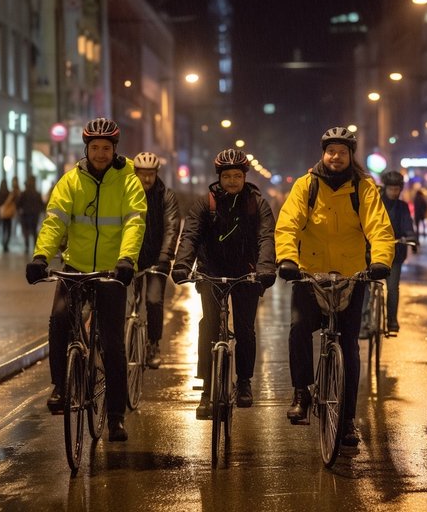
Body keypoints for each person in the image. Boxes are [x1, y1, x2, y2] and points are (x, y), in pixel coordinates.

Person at [25, 118, 146, 443]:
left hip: (112, 271)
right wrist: (41, 257)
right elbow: (55, 222)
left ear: (114, 150)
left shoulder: (128, 181)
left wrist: (126, 260)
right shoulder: (70, 182)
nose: (101, 153)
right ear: (87, 149)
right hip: (75, 267)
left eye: (106, 148)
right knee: (60, 319)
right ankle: (60, 388)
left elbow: (135, 222)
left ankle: (116, 416)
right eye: (95, 148)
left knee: (111, 343)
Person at [274, 126, 394, 455]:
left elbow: (379, 228)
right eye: (331, 151)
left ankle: (349, 419)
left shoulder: (364, 187)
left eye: (342, 151)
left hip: (351, 277)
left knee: (350, 347)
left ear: (350, 155)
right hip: (310, 276)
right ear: (323, 154)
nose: (336, 156)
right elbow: (288, 223)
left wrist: (380, 261)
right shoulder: (306, 185)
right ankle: (302, 391)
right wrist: (287, 258)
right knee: (299, 329)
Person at [171, 148, 276, 417]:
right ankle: (207, 389)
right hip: (212, 272)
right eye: (227, 176)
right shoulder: (205, 204)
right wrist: (183, 264)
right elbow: (190, 236)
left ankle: (243, 382)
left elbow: (266, 237)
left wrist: (265, 268)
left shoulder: (257, 204)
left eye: (237, 176)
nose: (232, 181)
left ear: (244, 177)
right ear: (219, 177)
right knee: (208, 325)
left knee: (244, 329)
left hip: (247, 273)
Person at [131, 152, 181, 370]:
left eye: (151, 174)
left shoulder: (165, 196)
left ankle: (153, 344)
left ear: (156, 174)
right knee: (127, 305)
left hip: (155, 260)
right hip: (129, 260)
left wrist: (164, 257)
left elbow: (171, 227)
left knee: (153, 301)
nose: (147, 179)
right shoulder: (127, 194)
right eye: (143, 175)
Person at [377, 170, 415, 333]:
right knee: (364, 286)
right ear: (385, 188)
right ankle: (364, 320)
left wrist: (411, 236)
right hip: (374, 252)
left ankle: (392, 320)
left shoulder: (402, 207)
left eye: (397, 189)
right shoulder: (376, 203)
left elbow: (408, 225)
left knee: (393, 288)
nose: (394, 192)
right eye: (391, 188)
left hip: (396, 253)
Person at [17, 175, 44, 255]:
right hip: (35, 214)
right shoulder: (37, 193)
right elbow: (41, 204)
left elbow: (18, 204)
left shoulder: (24, 193)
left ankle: (27, 246)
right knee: (34, 231)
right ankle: (35, 247)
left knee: (26, 231)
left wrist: (20, 210)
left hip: (25, 214)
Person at [0, 178, 16, 252]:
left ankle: (3, 243)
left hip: (2, 213)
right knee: (8, 229)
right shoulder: (9, 193)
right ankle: (6, 244)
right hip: (8, 214)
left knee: (3, 228)